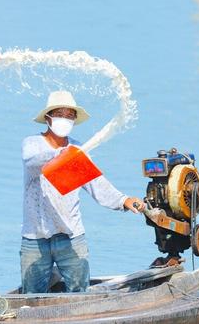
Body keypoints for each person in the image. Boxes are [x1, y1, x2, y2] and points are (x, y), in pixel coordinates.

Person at [21, 90, 144, 293]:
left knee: (79, 295)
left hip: (70, 235)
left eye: (70, 115)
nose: (65, 119)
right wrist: (61, 154)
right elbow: (33, 162)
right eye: (60, 114)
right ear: (48, 118)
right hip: (35, 237)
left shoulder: (76, 149)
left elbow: (95, 184)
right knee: (31, 296)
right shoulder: (33, 144)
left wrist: (123, 200)